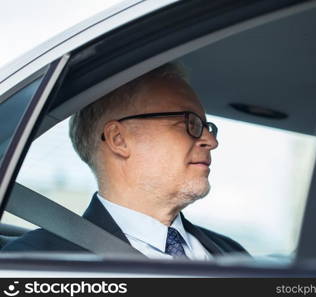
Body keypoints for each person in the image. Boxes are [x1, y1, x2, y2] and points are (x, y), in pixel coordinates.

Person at [3, 62, 249, 260]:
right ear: (119, 139)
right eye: (189, 123)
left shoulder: (233, 253)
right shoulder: (35, 262)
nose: (211, 141)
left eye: (207, 127)